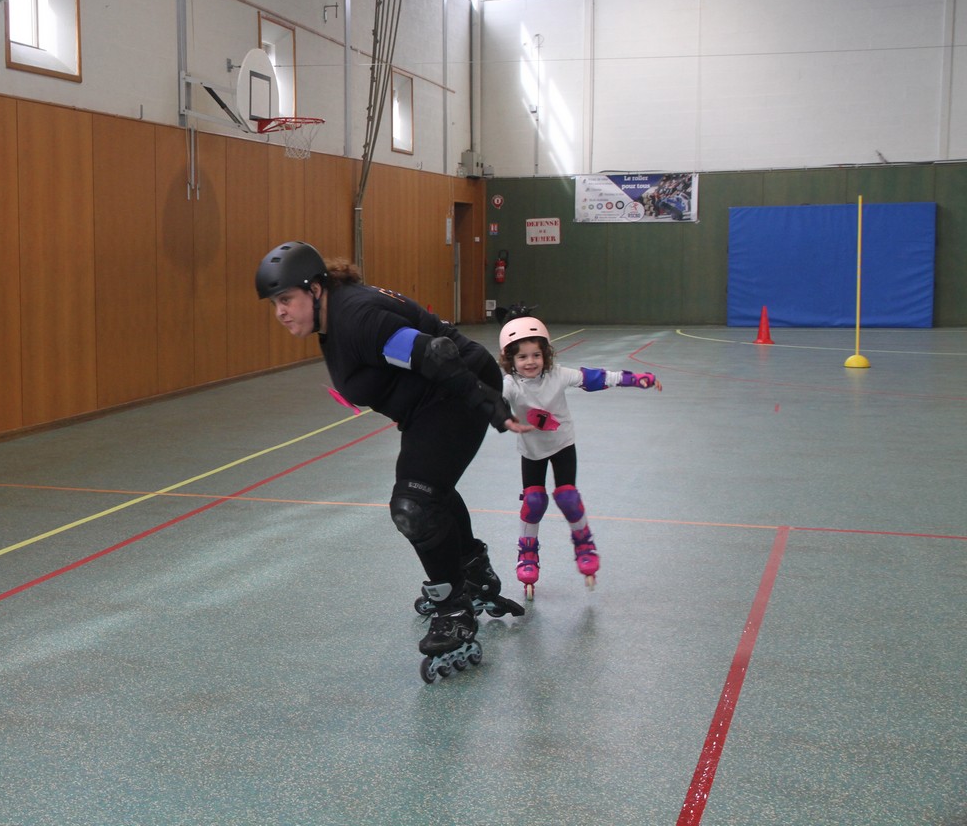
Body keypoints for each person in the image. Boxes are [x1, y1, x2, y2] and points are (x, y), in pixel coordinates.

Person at [256, 241, 530, 680]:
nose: (281, 312)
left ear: (316, 289)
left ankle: (453, 611)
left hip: (457, 389)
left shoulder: (356, 317)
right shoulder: (335, 315)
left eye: (286, 299)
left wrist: (489, 406)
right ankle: (473, 573)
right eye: (275, 304)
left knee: (414, 505)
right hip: (432, 400)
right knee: (429, 487)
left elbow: (433, 354)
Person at [497, 316, 662, 599]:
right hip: (532, 451)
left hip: (562, 444)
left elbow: (596, 378)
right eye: (522, 357)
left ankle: (584, 544)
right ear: (510, 359)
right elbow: (492, 402)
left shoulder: (558, 375)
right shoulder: (511, 384)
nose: (530, 362)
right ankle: (527, 553)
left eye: (536, 355)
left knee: (568, 498)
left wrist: (635, 380)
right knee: (533, 501)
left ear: (545, 354)